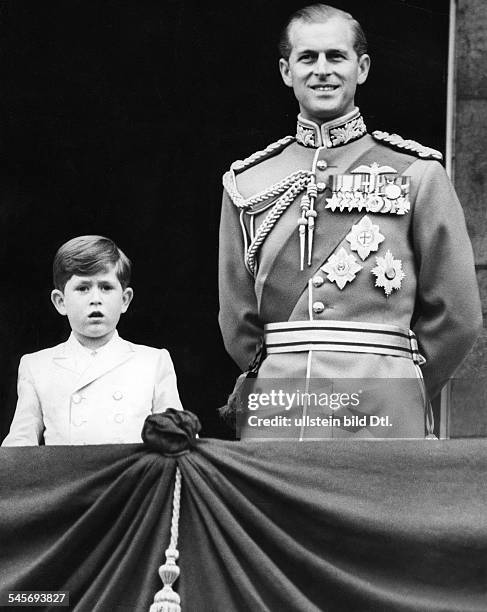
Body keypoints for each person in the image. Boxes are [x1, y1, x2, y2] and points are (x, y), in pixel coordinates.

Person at [218, 4, 482, 439]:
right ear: (286, 71)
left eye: (336, 57)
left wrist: (400, 389)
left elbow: (459, 317)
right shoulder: (247, 183)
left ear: (361, 68)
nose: (322, 70)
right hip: (279, 415)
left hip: (382, 413)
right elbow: (238, 320)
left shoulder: (416, 174)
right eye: (308, 58)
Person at [2, 235, 183, 446]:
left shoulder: (153, 362)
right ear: (60, 302)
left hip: (134, 478)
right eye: (82, 288)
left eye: (106, 287)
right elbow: (20, 443)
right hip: (70, 478)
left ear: (125, 300)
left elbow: (177, 435)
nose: (95, 298)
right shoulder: (37, 366)